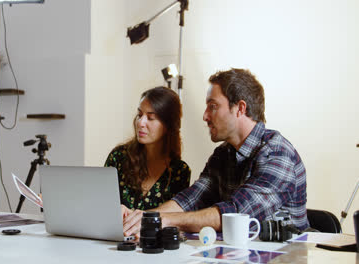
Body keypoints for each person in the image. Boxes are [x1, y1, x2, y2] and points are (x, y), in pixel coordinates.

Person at [123, 68, 309, 236]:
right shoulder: (222, 155)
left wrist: (163, 220)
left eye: (213, 106)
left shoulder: (277, 153)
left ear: (240, 108)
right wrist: (140, 218)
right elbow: (191, 199)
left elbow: (235, 213)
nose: (205, 116)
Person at [105, 86, 191, 210]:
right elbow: (100, 206)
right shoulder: (118, 157)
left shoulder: (180, 171)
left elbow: (175, 219)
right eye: (139, 115)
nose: (140, 123)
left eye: (150, 118)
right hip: (116, 229)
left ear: (168, 125)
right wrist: (115, 209)